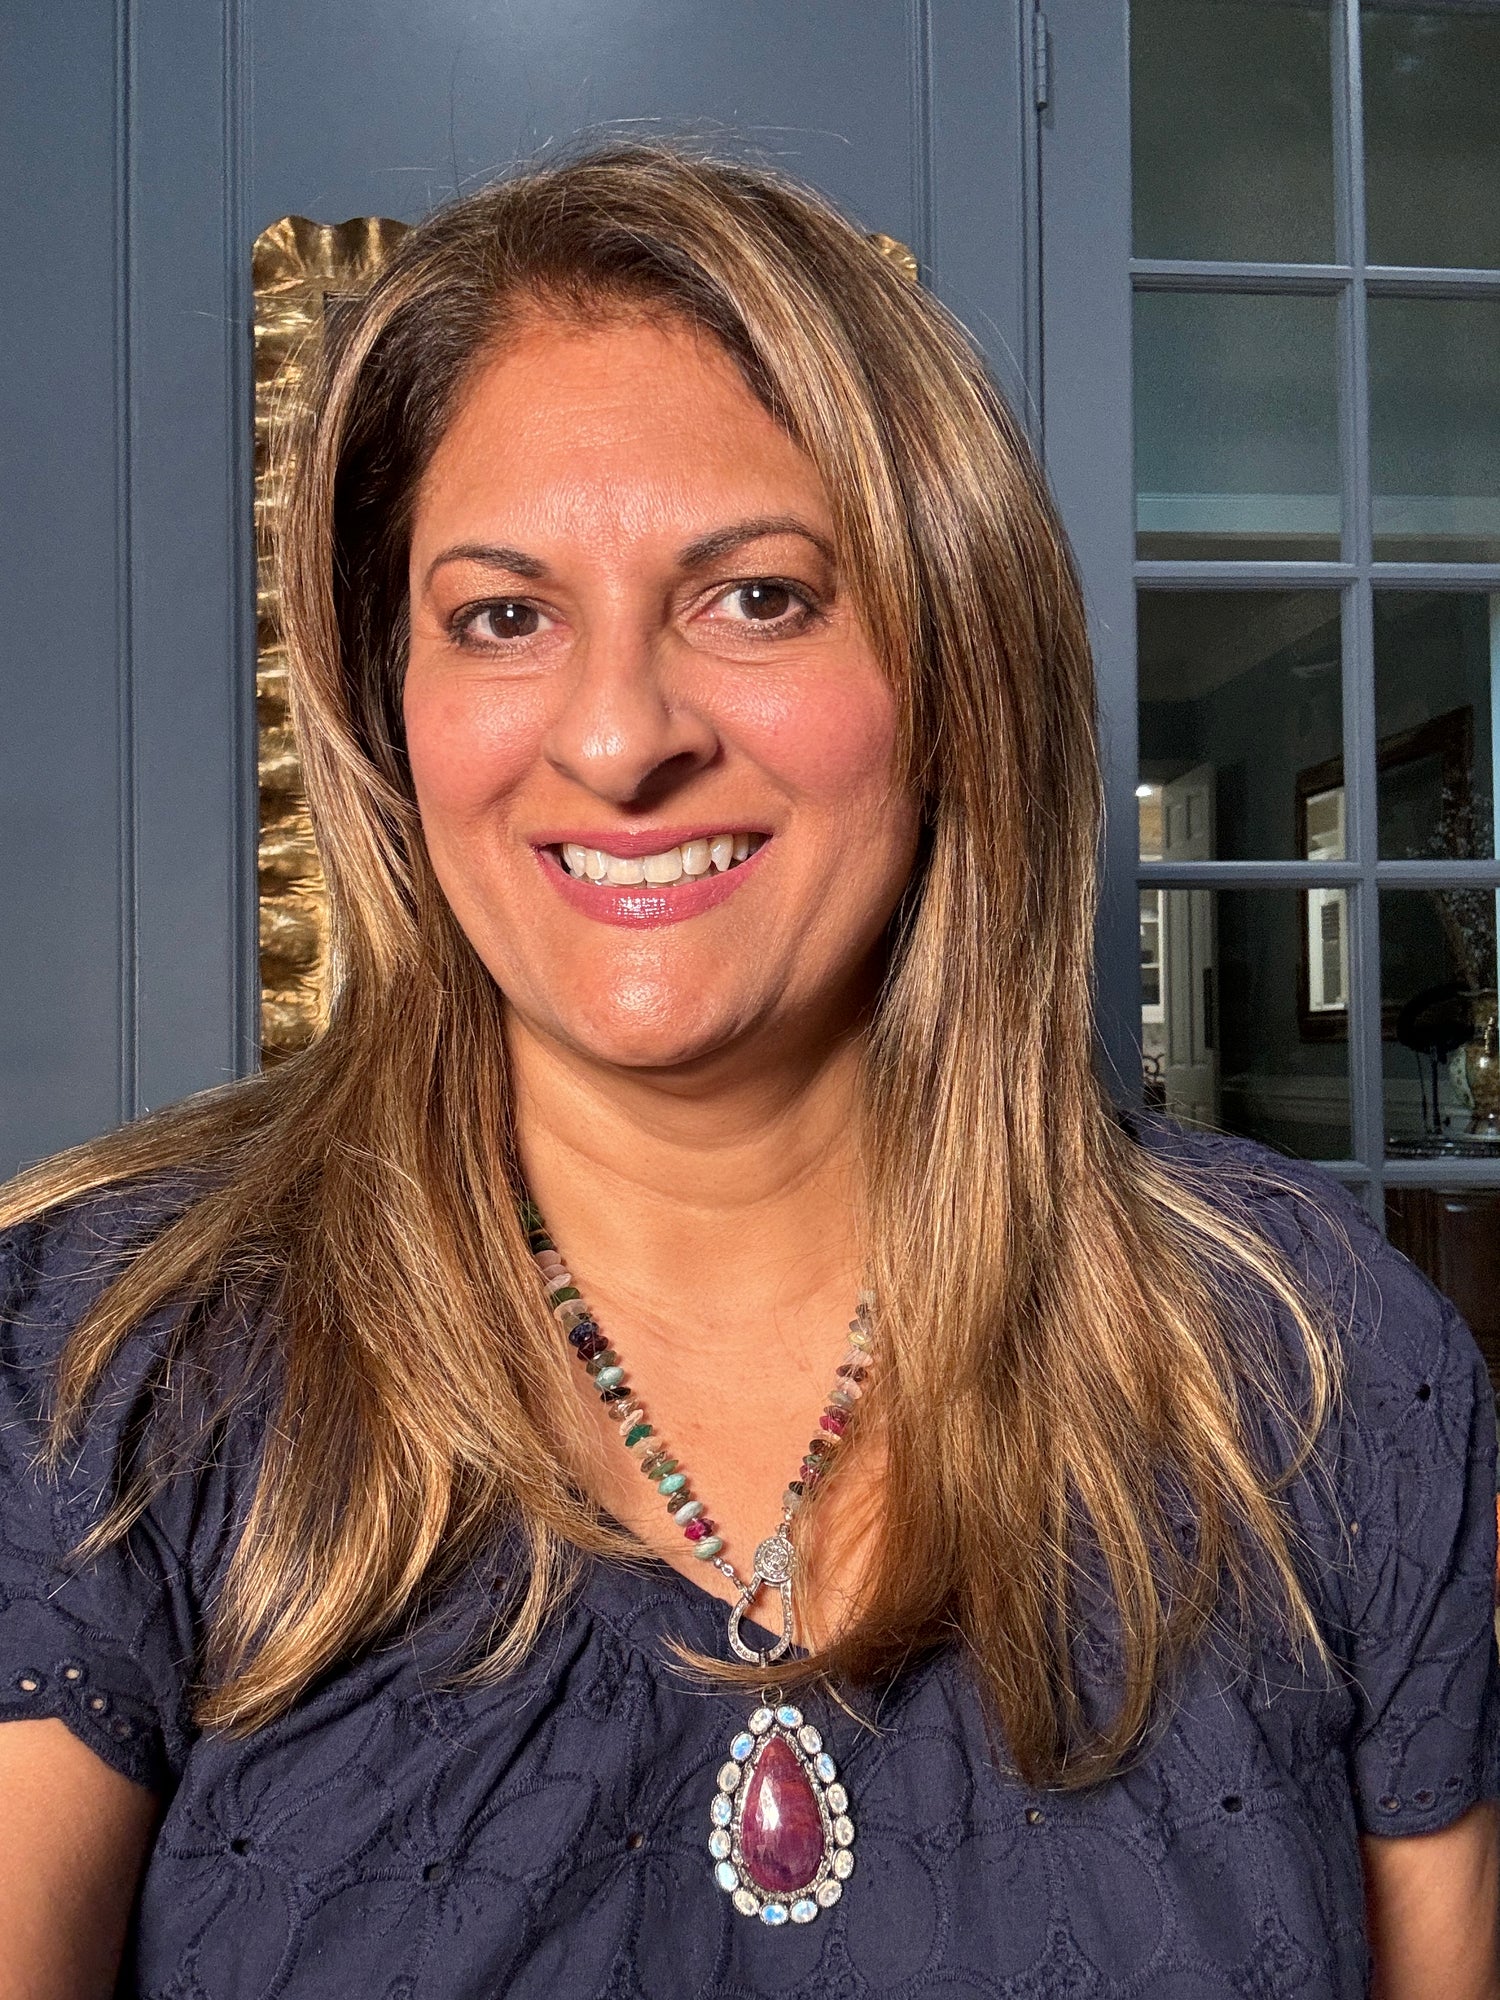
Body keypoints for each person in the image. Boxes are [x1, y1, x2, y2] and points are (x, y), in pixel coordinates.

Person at [1, 144, 1496, 2000]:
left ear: (961, 666)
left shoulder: (1320, 1361)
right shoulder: (96, 1366)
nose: (622, 735)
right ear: (392, 706)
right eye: (502, 615)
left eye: (760, 596)